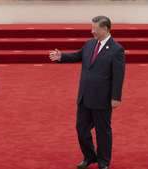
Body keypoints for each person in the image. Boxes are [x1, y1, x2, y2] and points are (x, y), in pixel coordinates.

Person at [49, 16, 125, 169]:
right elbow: (78, 55)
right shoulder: (90, 44)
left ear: (104, 29)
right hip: (84, 96)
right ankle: (90, 157)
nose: (92, 32)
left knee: (103, 132)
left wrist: (116, 97)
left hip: (102, 98)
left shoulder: (117, 49)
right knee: (81, 128)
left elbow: (119, 75)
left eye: (94, 29)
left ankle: (103, 162)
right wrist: (61, 56)